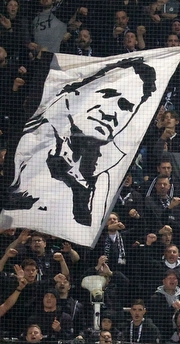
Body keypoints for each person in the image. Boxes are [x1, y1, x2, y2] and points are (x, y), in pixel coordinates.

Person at [6, 57, 157, 233]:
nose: (112, 114)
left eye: (125, 107)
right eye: (107, 94)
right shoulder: (35, 142)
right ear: (75, 93)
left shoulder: (102, 174)